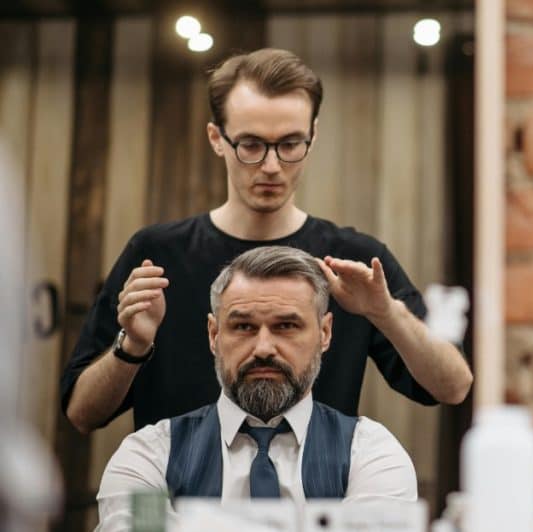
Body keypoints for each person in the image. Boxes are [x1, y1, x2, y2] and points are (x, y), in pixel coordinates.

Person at [61, 48, 473, 433]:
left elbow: (453, 387)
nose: (272, 166)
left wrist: (387, 314)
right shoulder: (156, 256)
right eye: (252, 145)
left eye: (290, 144)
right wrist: (132, 345)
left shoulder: (358, 261)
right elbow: (82, 413)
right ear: (216, 138)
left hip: (312, 508)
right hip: (178, 507)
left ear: (313, 136)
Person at [96, 246, 418, 531]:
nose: (263, 347)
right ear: (213, 334)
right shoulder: (149, 457)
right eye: (244, 326)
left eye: (286, 326)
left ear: (324, 332)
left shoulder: (372, 454)